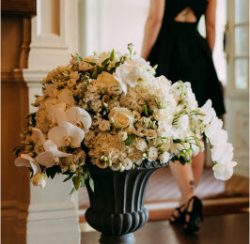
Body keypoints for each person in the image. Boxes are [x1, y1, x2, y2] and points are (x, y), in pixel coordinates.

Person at [141, 0, 226, 234]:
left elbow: (155, 20)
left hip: (168, 52)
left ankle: (189, 197)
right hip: (198, 52)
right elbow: (210, 25)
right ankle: (185, 203)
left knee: (173, 128)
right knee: (196, 129)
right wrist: (206, 56)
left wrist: (142, 60)